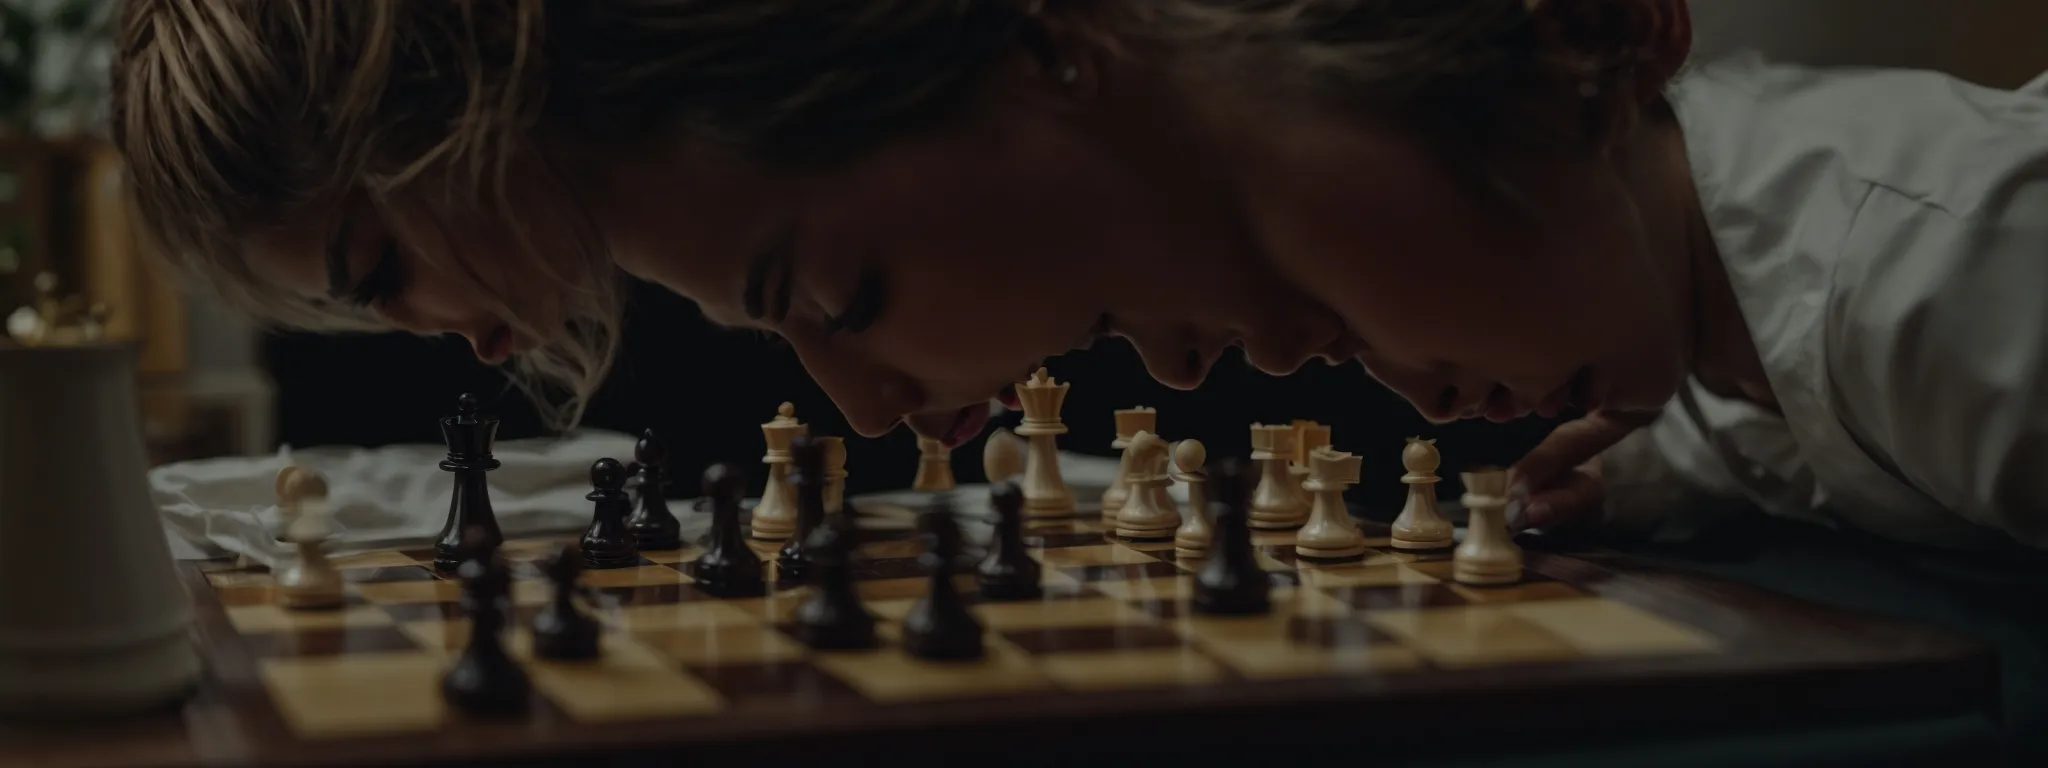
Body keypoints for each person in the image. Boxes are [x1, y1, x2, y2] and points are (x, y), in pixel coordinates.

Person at [107, 0, 2047, 555]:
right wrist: (1676, 465)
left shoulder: (1966, 277)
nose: (1291, 353)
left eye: (837, 296)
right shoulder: (1754, 342)